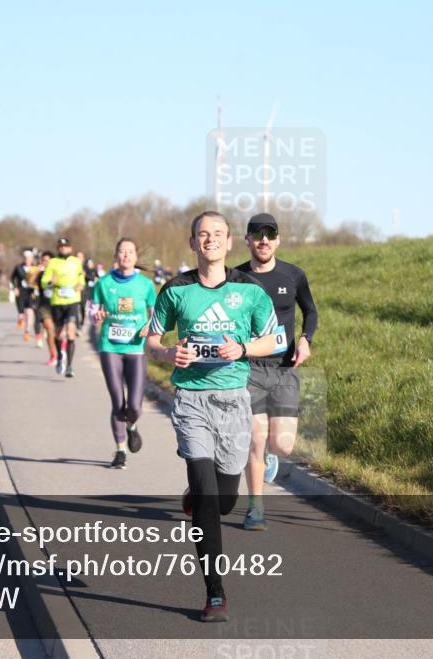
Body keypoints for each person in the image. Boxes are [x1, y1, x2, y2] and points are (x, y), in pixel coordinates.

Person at [146, 211, 277, 623]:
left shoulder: (249, 290)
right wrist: (168, 353)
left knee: (224, 501)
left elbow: (276, 338)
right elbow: (150, 340)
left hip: (234, 400)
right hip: (191, 401)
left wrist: (241, 350)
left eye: (217, 234)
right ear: (192, 243)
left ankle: (200, 496)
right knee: (205, 493)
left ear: (229, 242)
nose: (210, 240)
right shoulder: (176, 289)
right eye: (203, 235)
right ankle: (215, 592)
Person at [236, 213, 318, 531]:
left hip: (284, 369)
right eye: (258, 236)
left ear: (278, 240)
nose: (264, 241)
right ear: (248, 240)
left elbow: (310, 310)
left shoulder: (293, 275)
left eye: (270, 235)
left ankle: (272, 455)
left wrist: (306, 340)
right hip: (248, 368)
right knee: (255, 440)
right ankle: (255, 508)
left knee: (282, 444)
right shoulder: (235, 278)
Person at [90, 238, 156, 470]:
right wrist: (95, 316)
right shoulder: (103, 283)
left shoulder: (145, 285)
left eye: (130, 251)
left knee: (135, 406)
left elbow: (155, 313)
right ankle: (120, 450)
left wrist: (150, 326)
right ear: (115, 256)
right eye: (121, 251)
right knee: (118, 402)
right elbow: (92, 308)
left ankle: (132, 426)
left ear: (136, 256)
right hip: (110, 347)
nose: (126, 255)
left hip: (136, 348)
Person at [41, 237, 86, 376]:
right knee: (59, 334)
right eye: (60, 247)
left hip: (73, 300)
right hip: (57, 301)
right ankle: (60, 358)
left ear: (70, 248)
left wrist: (81, 284)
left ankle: (70, 367)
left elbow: (81, 277)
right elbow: (43, 281)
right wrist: (50, 281)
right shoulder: (53, 262)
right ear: (57, 249)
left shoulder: (76, 262)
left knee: (71, 332)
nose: (63, 249)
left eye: (66, 247)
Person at [32, 250, 56, 355]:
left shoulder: (58, 273)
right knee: (49, 328)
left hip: (57, 304)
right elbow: (29, 282)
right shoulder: (41, 273)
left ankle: (60, 352)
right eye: (42, 261)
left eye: (46, 260)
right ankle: (53, 355)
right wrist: (36, 270)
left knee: (58, 333)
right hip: (44, 305)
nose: (44, 263)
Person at [10, 249, 37, 338]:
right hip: (21, 292)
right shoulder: (18, 267)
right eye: (26, 258)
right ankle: (21, 319)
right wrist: (15, 288)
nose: (27, 259)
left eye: (29, 258)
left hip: (30, 292)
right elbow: (12, 278)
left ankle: (27, 331)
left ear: (32, 259)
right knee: (21, 314)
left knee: (29, 312)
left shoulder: (35, 268)